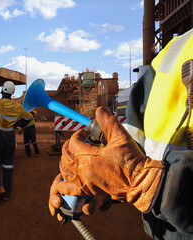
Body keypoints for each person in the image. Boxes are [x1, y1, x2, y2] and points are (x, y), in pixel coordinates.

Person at [49, 27, 193, 240]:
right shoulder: (174, 51)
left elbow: (137, 175)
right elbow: (133, 154)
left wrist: (152, 185)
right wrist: (99, 182)